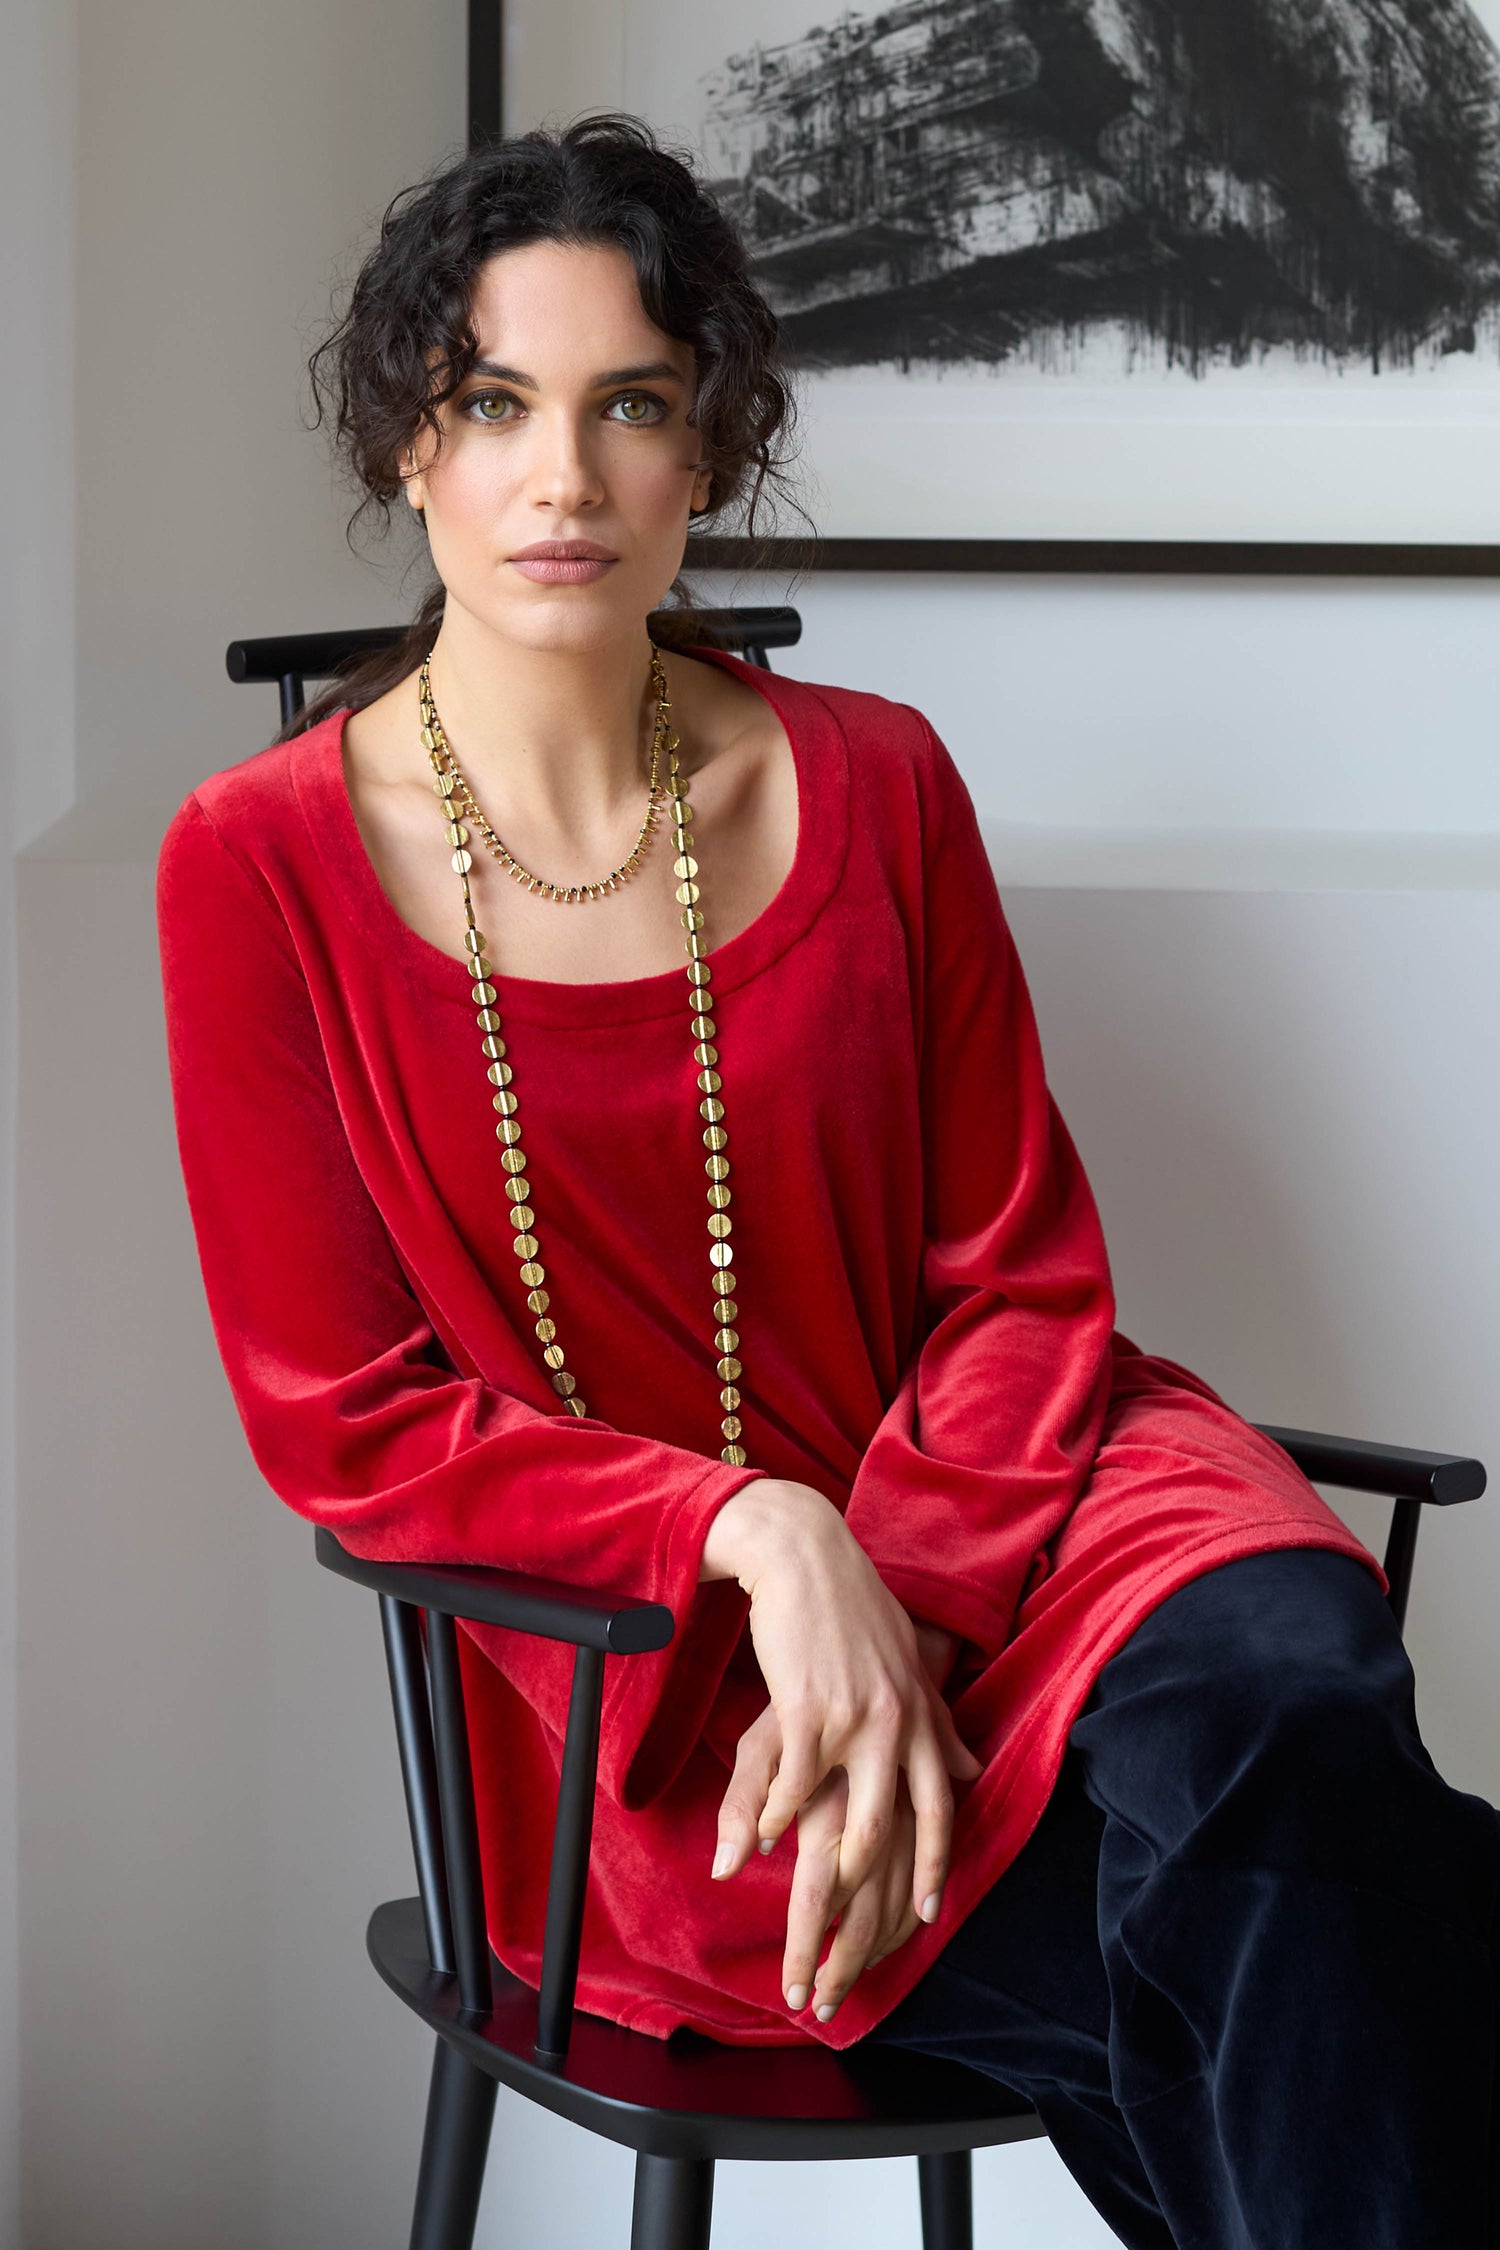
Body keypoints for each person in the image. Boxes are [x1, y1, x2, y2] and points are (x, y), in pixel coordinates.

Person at [154, 116, 1499, 2247]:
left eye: (633, 408)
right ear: (409, 444)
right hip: (663, 1676)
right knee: (1302, 1927)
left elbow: (1022, 1272)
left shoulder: (876, 778)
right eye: (495, 404)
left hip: (1043, 1500)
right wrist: (760, 1539)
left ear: (709, 453)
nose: (564, 479)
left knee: (1288, 1704)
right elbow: (349, 1421)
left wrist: (906, 1594)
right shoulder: (257, 866)